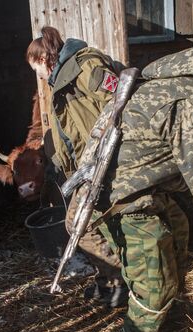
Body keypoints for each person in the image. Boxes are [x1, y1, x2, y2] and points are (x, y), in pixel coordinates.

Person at [27, 27, 193, 332]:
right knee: (154, 280)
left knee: (177, 233)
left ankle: (164, 311)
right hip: (120, 194)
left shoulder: (167, 86)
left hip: (125, 184)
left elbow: (169, 158)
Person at [27, 26, 129, 308]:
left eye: (36, 68)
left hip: (103, 164)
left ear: (45, 58)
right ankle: (108, 282)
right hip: (84, 170)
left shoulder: (86, 67)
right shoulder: (60, 79)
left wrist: (107, 151)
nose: (37, 75)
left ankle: (126, 279)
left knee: (76, 225)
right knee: (94, 225)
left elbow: (119, 103)